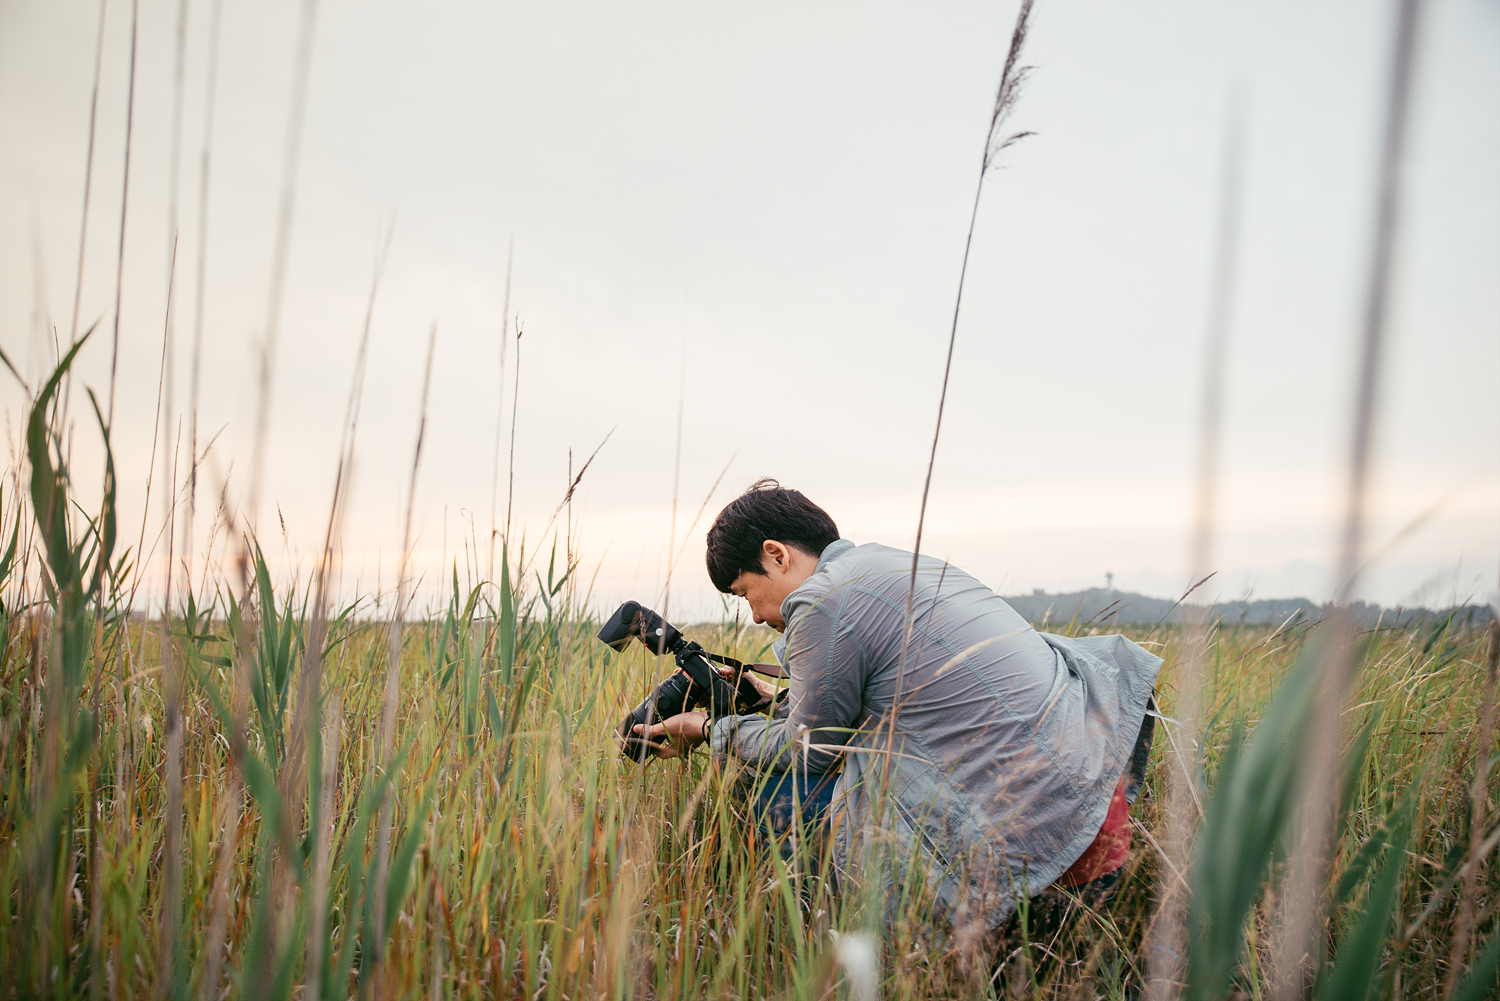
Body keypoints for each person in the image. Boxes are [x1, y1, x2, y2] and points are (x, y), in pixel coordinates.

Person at [634, 479, 1161, 940]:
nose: (752, 615)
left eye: (746, 592)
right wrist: (766, 692)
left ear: (776, 554)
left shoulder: (822, 601)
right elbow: (898, 697)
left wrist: (708, 728)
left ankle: (830, 944)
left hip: (1034, 851)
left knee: (775, 789)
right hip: (1092, 807)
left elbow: (811, 750)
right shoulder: (892, 564)